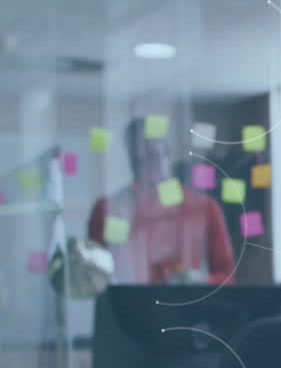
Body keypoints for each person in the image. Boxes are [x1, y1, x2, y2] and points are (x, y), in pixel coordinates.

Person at [87, 116, 235, 285]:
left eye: (156, 154)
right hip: (126, 307)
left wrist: (198, 281)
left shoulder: (203, 208)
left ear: (168, 155)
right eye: (140, 157)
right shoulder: (108, 209)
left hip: (188, 307)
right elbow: (93, 277)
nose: (150, 164)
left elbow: (226, 276)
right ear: (130, 159)